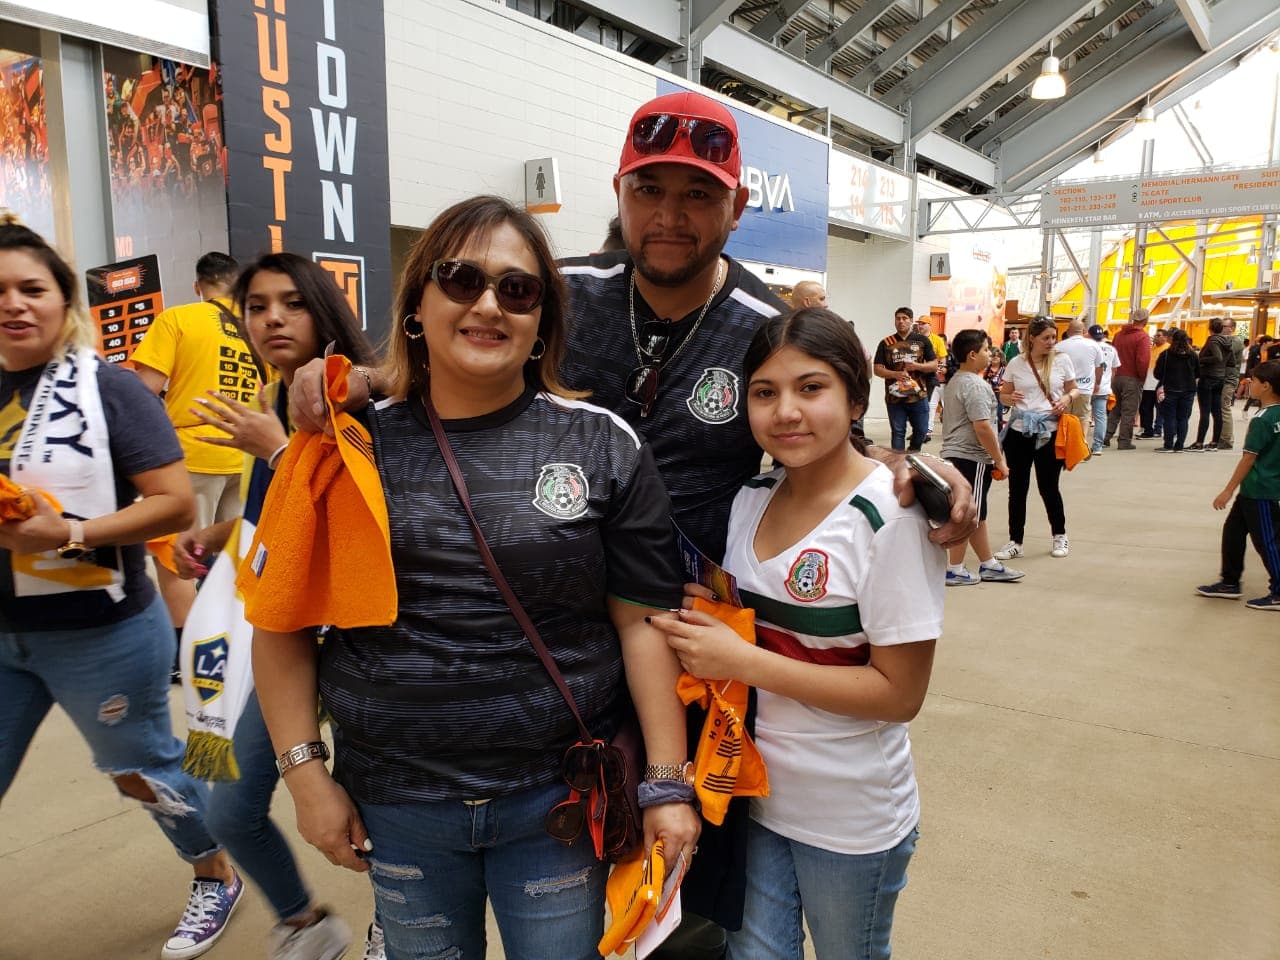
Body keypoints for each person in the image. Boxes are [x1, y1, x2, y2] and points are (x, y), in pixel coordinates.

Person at [287, 89, 977, 960]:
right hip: (545, 632)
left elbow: (829, 435)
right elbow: (459, 352)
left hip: (685, 644)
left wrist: (921, 471)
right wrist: (358, 379)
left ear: (738, 204)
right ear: (619, 191)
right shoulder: (559, 288)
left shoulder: (764, 328)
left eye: (697, 194)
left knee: (685, 877)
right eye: (650, 191)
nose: (670, 216)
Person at [249, 195, 701, 960]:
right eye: (461, 280)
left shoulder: (602, 444)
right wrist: (305, 779)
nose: (489, 305)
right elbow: (281, 623)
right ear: (418, 305)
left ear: (542, 321)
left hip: (555, 804)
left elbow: (641, 623)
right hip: (397, 806)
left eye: (517, 290)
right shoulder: (340, 448)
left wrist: (665, 783)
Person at [648, 307, 943, 960]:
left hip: (850, 818)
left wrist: (742, 658)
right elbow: (765, 620)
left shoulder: (889, 517)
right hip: (756, 802)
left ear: (856, 395)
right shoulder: (751, 496)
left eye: (811, 388)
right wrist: (713, 616)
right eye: (765, 392)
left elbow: (899, 695)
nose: (786, 411)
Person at [0, 219, 244, 960]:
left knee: (143, 775)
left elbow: (172, 505)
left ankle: (214, 872)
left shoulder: (106, 388)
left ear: (64, 301)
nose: (13, 304)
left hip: (99, 633)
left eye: (31, 288)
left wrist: (68, 533)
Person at [176, 253, 377, 960]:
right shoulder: (274, 398)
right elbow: (279, 521)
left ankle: (397, 923)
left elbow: (369, 522)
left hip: (366, 643)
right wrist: (216, 532)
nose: (272, 319)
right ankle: (304, 923)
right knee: (229, 805)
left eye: (291, 303)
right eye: (257, 307)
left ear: (324, 309)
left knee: (384, 808)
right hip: (281, 637)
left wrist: (277, 451)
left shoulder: (364, 395)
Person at [131, 251, 261, 664]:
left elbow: (143, 389)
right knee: (237, 551)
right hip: (246, 455)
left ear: (197, 286)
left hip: (193, 455)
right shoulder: (256, 329)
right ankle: (239, 643)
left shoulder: (178, 319)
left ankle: (186, 654)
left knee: (178, 554)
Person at [1196, 359, 1280, 611]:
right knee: (1233, 531)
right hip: (1257, 490)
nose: (1248, 384)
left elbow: (1249, 457)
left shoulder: (1263, 420)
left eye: (1252, 381)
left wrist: (1228, 489)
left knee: (1268, 541)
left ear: (1265, 386)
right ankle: (1230, 581)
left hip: (1260, 490)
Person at [940, 330, 1021, 585]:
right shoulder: (976, 385)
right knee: (968, 514)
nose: (991, 354)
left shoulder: (956, 380)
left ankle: (988, 564)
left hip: (958, 455)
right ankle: (954, 568)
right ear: (972, 355)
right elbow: (983, 426)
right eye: (987, 349)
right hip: (971, 457)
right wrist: (999, 459)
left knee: (977, 514)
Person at [994, 316, 1079, 561]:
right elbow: (1004, 395)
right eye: (1046, 338)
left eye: (1054, 337)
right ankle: (1015, 541)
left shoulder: (1062, 361)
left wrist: (1067, 398)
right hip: (1019, 431)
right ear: (1031, 338)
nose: (1051, 342)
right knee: (1017, 489)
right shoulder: (1016, 363)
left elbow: (1074, 388)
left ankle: (1059, 534)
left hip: (1049, 433)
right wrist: (1008, 398)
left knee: (1049, 487)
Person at [873, 306, 936, 452]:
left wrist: (917, 366)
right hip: (894, 397)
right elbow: (877, 369)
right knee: (898, 432)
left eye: (904, 318)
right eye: (898, 318)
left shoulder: (922, 341)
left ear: (911, 321)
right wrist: (895, 374)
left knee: (922, 430)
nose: (901, 321)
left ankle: (912, 453)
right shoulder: (886, 343)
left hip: (918, 395)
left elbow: (934, 365)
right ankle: (899, 464)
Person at [1103, 307, 1150, 450]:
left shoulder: (1118, 335)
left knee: (1114, 410)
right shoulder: (1142, 336)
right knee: (1129, 411)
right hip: (1132, 378)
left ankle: (1105, 436)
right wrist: (1142, 378)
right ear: (1146, 320)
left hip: (1116, 377)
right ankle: (1124, 441)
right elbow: (1142, 360)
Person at [1189, 317, 1231, 451]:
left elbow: (1217, 357)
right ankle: (1214, 442)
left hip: (1208, 378)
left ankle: (1199, 443)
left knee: (1205, 411)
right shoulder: (1228, 341)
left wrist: (1201, 359)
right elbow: (1232, 361)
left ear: (1210, 328)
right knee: (1217, 411)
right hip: (1220, 378)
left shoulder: (1212, 340)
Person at [1154, 329, 1199, 452]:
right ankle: (1179, 445)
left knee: (1169, 417)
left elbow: (1157, 374)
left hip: (1170, 389)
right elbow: (1198, 373)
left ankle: (1168, 444)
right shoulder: (1193, 355)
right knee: (1183, 418)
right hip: (1188, 390)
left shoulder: (1166, 354)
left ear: (1172, 339)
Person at [1055, 319, 1103, 427]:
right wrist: (1097, 384)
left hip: (1064, 391)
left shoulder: (1059, 346)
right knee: (1083, 417)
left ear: (1068, 331)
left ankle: (1064, 442)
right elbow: (1099, 368)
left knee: (1063, 419)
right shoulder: (1094, 346)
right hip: (1084, 389)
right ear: (1084, 331)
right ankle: (1082, 442)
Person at [1088, 324, 1120, 456]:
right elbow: (1114, 369)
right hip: (1104, 388)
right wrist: (1107, 381)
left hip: (1087, 387)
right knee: (1101, 417)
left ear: (1089, 335)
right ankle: (1098, 446)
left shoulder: (1088, 348)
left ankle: (1080, 445)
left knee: (1082, 417)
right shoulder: (1111, 349)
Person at [915, 316, 947, 438]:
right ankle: (921, 430)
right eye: (919, 323)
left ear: (929, 325)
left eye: (923, 323)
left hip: (931, 376)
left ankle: (928, 429)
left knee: (933, 404)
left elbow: (942, 356)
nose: (920, 325)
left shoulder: (937, 340)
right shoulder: (914, 339)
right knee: (919, 404)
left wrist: (941, 369)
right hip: (917, 376)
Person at [1216, 324, 1244, 451]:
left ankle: (1226, 440)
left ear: (1231, 328)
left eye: (1225, 326)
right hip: (1222, 378)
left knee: (1224, 407)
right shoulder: (1223, 340)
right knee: (1221, 408)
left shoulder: (1236, 341)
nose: (1222, 328)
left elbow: (1223, 353)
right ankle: (1222, 438)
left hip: (1229, 379)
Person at [1138, 328, 1170, 439]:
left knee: (1161, 409)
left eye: (1158, 335)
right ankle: (1147, 430)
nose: (1155, 337)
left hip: (1160, 383)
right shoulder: (1152, 348)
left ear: (1165, 337)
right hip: (1148, 383)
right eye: (1155, 335)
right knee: (1145, 407)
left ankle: (1160, 429)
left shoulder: (1167, 349)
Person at [985, 347, 1007, 429]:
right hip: (987, 394)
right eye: (993, 355)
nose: (995, 357)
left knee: (998, 415)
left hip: (999, 395)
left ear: (1001, 358)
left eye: (997, 356)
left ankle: (1000, 434)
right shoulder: (986, 369)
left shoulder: (1004, 369)